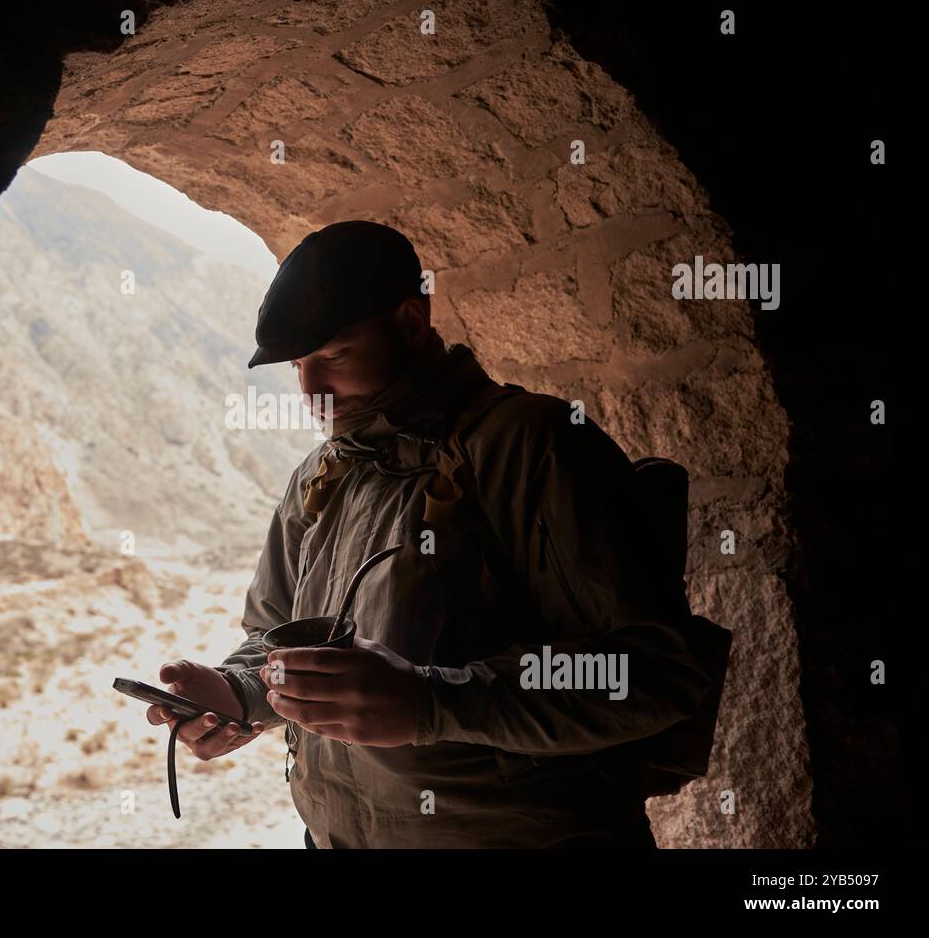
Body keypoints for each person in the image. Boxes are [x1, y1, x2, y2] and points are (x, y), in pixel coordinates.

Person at [146, 220, 709, 848]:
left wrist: (431, 702)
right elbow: (273, 640)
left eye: (333, 356)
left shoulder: (532, 445)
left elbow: (655, 674)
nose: (311, 390)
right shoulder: (323, 475)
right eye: (300, 365)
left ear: (411, 325)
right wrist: (238, 691)